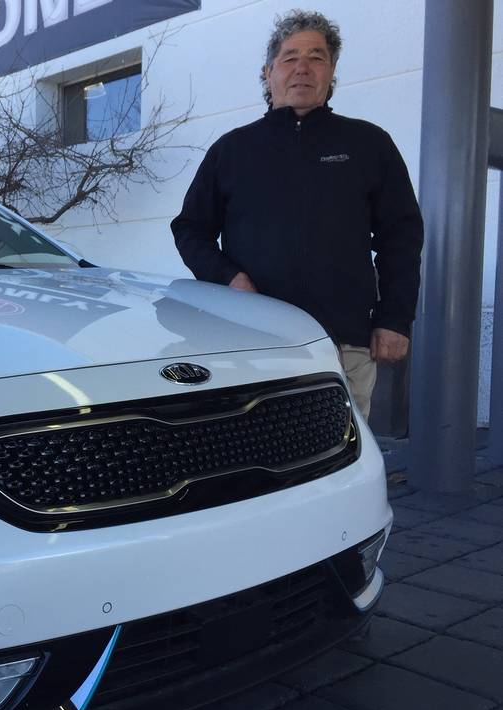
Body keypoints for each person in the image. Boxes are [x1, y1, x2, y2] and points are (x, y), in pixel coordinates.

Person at [170, 9, 423, 420]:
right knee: (250, 452)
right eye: (290, 58)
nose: (302, 68)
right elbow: (190, 229)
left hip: (343, 343)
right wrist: (229, 278)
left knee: (338, 458)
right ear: (269, 72)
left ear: (332, 71)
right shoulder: (232, 150)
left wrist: (395, 318)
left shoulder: (369, 144)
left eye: (317, 57)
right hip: (250, 342)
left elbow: (402, 236)